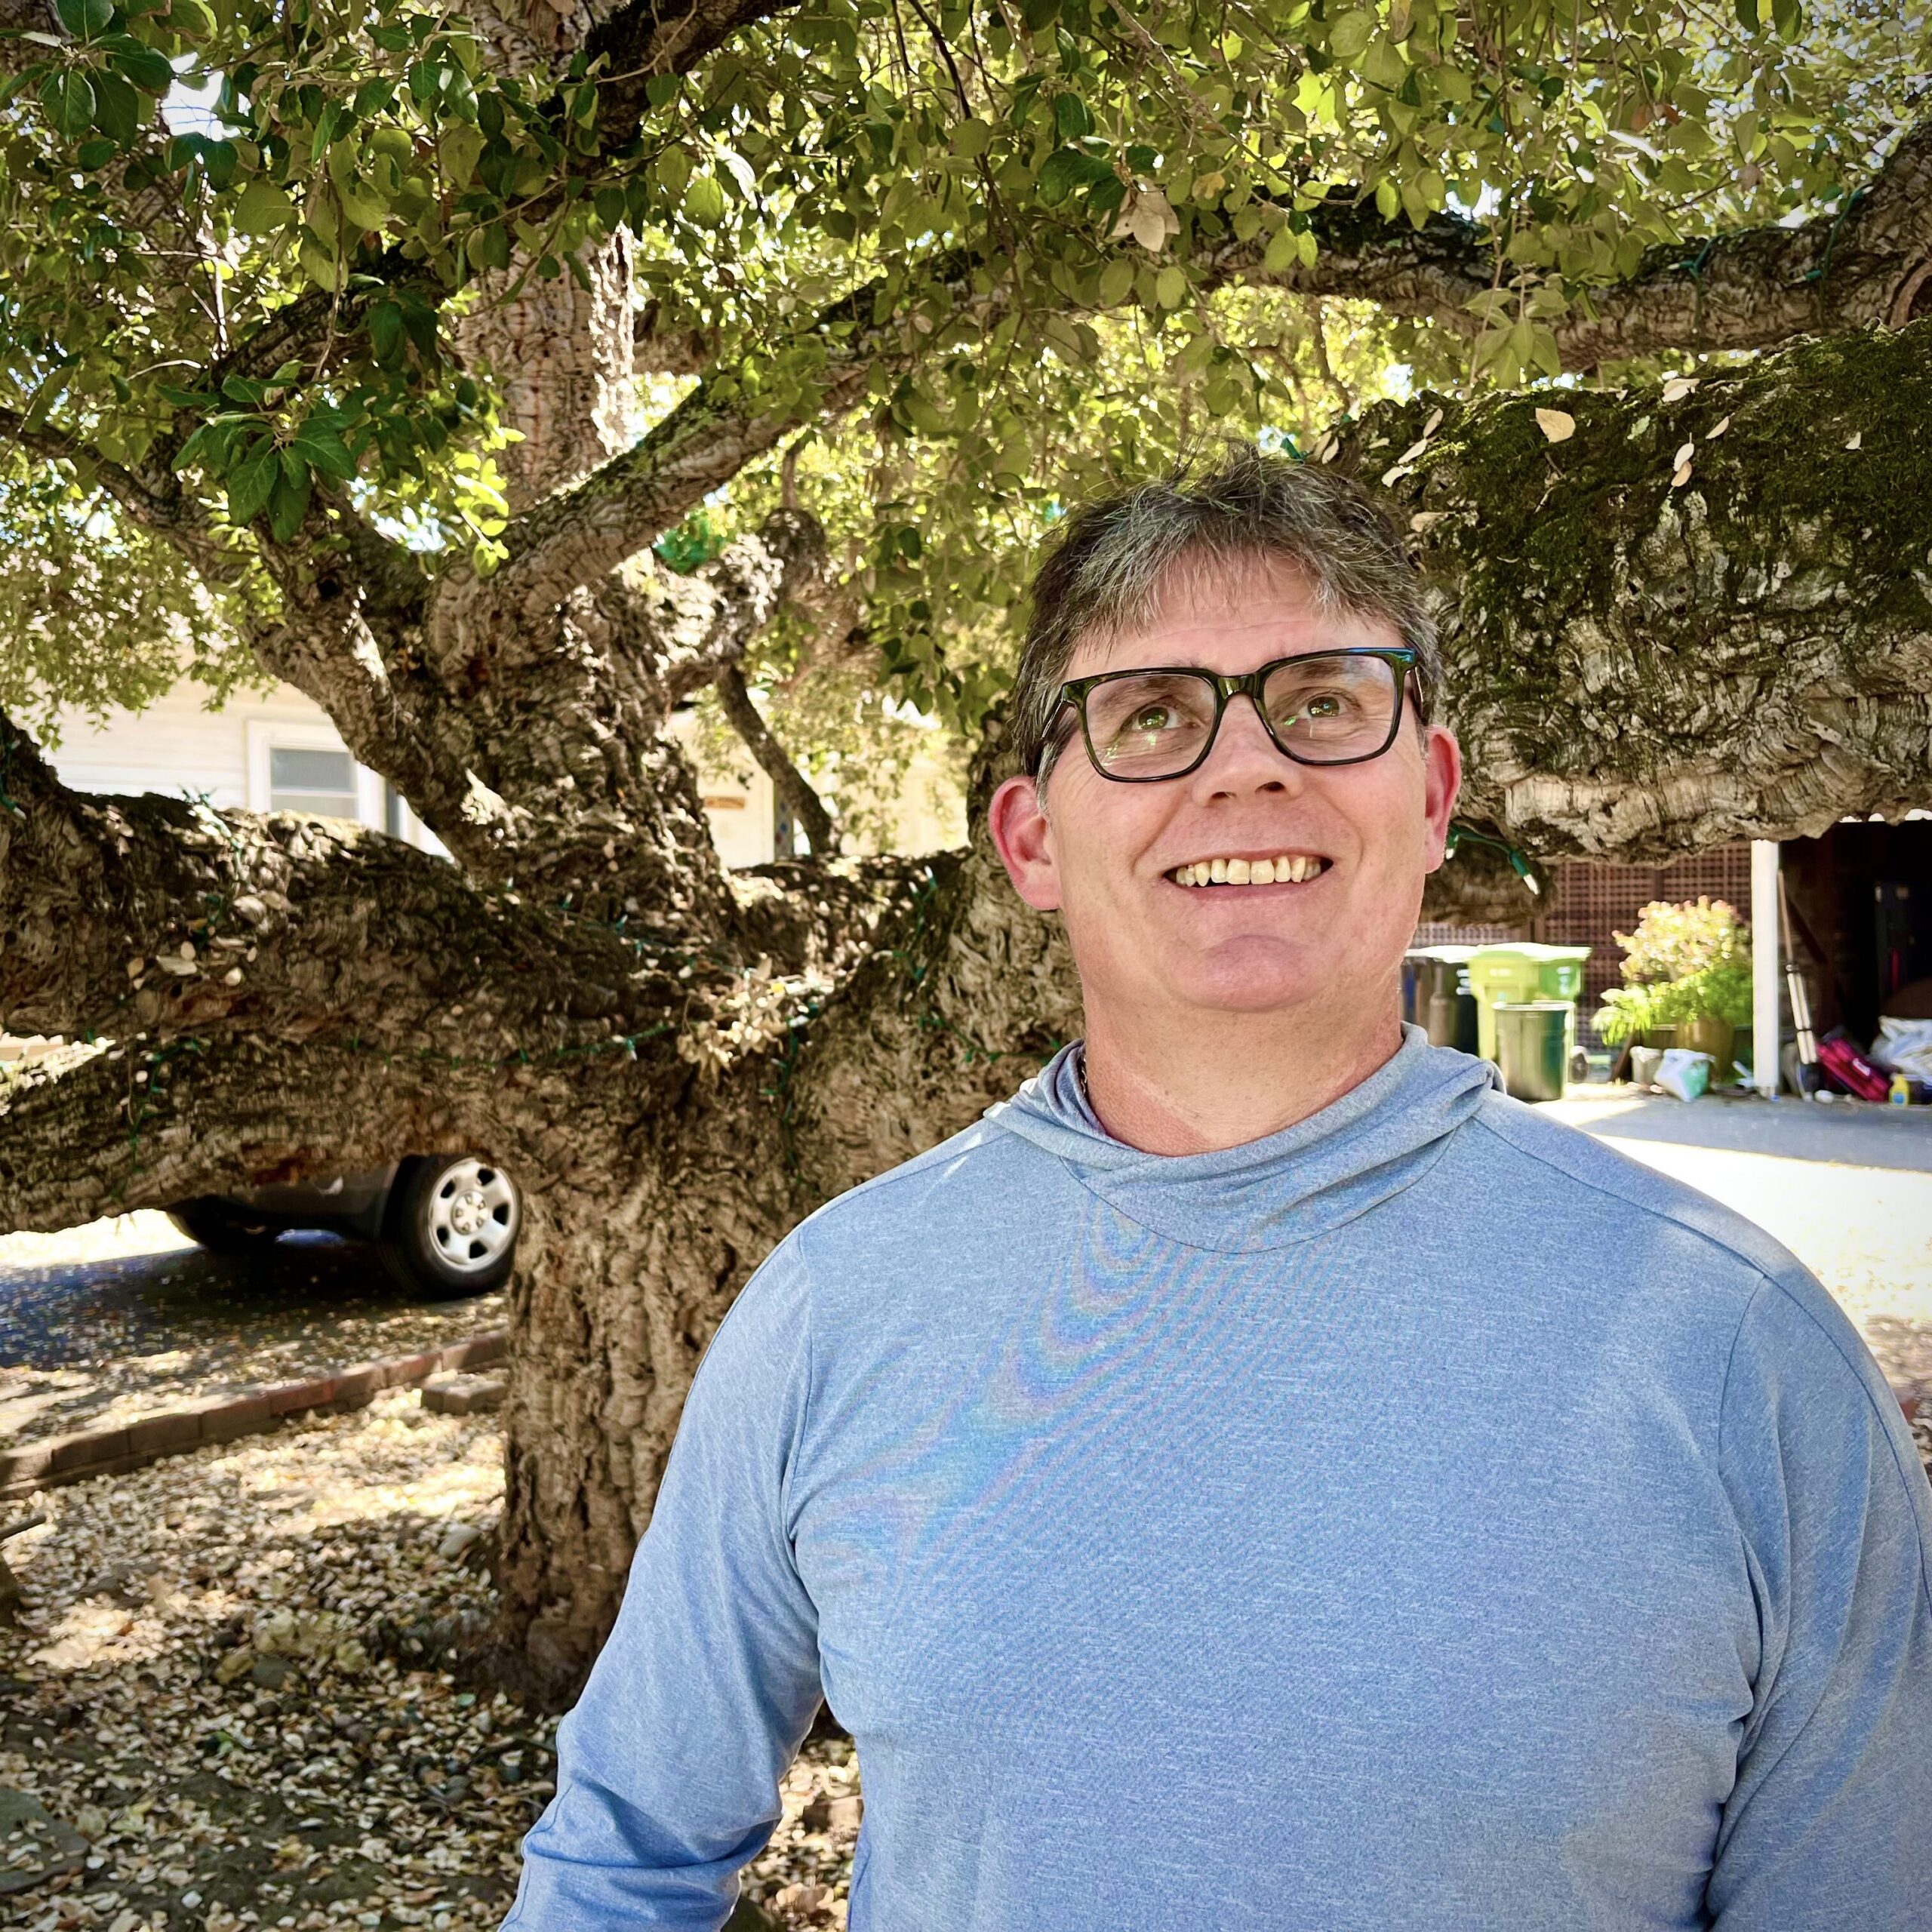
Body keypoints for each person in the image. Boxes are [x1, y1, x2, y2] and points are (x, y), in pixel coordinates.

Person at [502, 449, 1932, 1930]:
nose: (1245, 766)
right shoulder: (831, 1304)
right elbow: (619, 1856)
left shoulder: (1741, 1353)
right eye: (1147, 715)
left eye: (1322, 697)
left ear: (1431, 790)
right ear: (1031, 839)